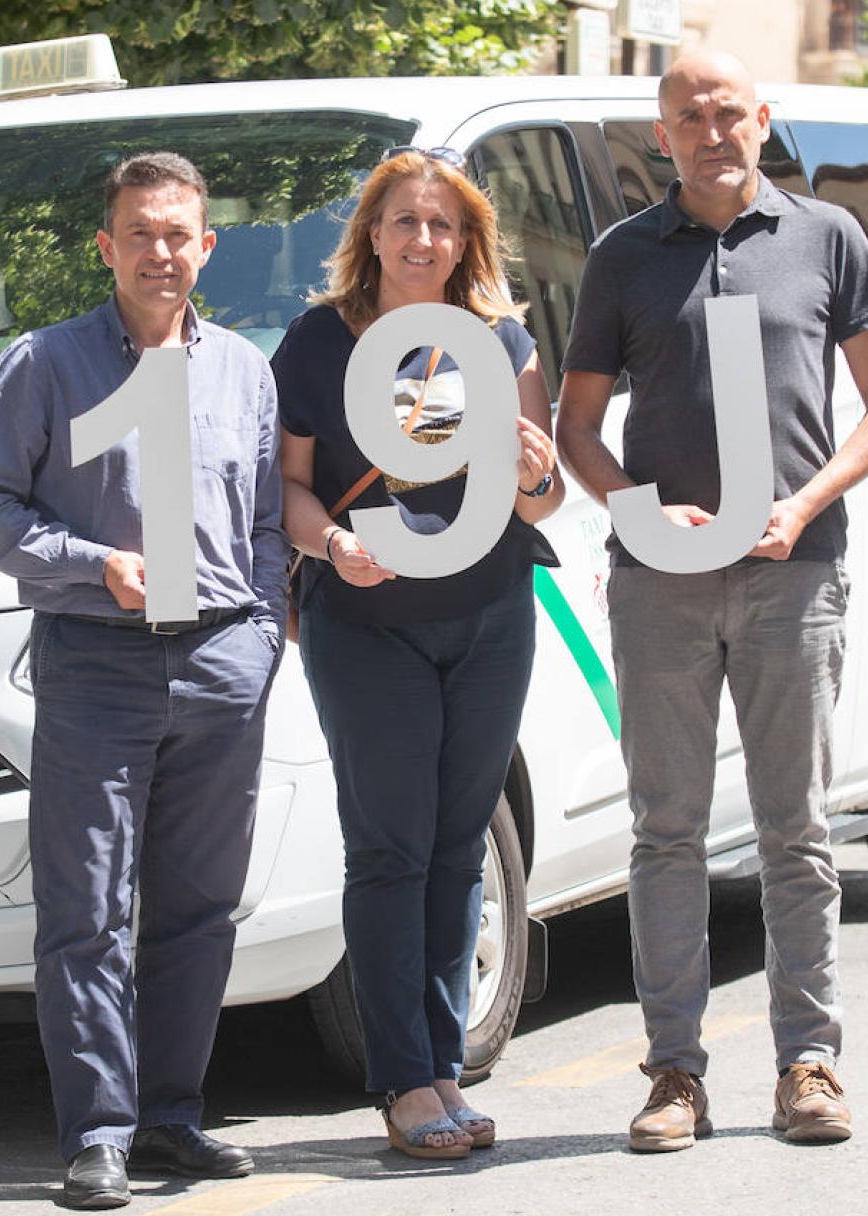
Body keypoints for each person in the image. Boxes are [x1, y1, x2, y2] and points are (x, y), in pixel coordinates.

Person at [556, 50, 868, 1149]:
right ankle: (674, 1075)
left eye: (727, 112)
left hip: (793, 575)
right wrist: (632, 511)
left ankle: (809, 1064)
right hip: (659, 588)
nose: (710, 130)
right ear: (659, 137)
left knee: (796, 828)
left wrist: (801, 505)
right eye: (686, 117)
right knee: (665, 833)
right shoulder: (622, 258)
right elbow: (575, 429)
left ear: (761, 121)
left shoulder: (827, 239)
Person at [0, 152, 287, 1210]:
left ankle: (172, 1116)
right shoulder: (47, 364)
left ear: (207, 247)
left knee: (198, 907)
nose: (160, 251)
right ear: (107, 247)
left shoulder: (243, 368)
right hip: (97, 661)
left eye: (178, 233)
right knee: (86, 907)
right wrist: (91, 564)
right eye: (140, 232)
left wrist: (264, 639)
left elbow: (270, 524)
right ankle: (98, 1130)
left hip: (223, 659)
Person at [271, 146, 563, 1159]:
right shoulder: (317, 342)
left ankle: (446, 1065)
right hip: (367, 625)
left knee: (457, 845)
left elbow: (545, 498)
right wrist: (330, 544)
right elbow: (290, 490)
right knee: (390, 848)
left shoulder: (501, 341)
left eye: (442, 224)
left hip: (491, 614)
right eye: (405, 221)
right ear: (372, 233)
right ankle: (403, 1079)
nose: (423, 239)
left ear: (465, 239)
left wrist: (536, 471)